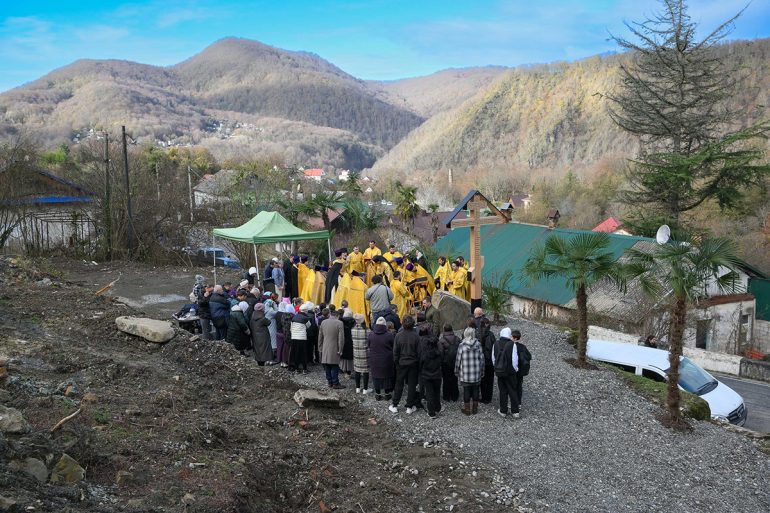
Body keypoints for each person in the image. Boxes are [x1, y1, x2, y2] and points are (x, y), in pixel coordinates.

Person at [389, 315, 420, 414]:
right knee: (411, 385)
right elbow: (419, 352)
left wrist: (396, 362)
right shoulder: (416, 336)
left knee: (399, 384)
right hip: (413, 363)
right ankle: (409, 406)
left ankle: (394, 404)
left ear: (402, 323)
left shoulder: (398, 335)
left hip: (401, 363)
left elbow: (395, 352)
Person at [455, 326, 484, 415]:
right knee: (476, 390)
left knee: (466, 391)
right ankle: (475, 409)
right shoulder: (478, 344)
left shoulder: (461, 345)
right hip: (476, 372)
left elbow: (458, 360)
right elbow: (482, 359)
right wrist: (482, 371)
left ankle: (467, 410)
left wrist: (456, 371)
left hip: (465, 373)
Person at [418, 323, 443, 418]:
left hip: (426, 373)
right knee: (436, 391)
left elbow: (420, 360)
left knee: (429, 393)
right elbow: (441, 356)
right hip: (437, 372)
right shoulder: (437, 347)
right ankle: (437, 407)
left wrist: (420, 370)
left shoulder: (422, 347)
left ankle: (431, 412)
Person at [368, 317, 395, 401]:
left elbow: (369, 345)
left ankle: (378, 394)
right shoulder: (389, 335)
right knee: (387, 376)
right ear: (385, 325)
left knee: (376, 376)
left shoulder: (371, 334)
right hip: (386, 359)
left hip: (374, 359)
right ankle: (387, 394)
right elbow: (393, 346)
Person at [318, 309, 346, 389]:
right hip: (335, 347)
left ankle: (329, 382)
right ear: (337, 316)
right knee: (334, 365)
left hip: (325, 347)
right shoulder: (339, 323)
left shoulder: (323, 322)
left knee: (327, 365)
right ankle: (335, 383)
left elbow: (320, 336)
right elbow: (341, 338)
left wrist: (320, 347)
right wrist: (340, 349)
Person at [437, 324, 460, 402]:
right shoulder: (457, 339)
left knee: (446, 380)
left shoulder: (442, 340)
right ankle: (455, 396)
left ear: (444, 330)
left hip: (446, 363)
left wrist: (441, 362)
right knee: (454, 379)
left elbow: (440, 353)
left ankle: (447, 396)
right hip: (455, 361)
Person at [478, 317, 496, 404]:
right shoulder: (491, 335)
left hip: (481, 360)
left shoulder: (479, 334)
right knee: (490, 380)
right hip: (490, 361)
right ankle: (488, 398)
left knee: (482, 379)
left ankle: (483, 396)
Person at [291, 302, 313, 373]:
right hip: (302, 338)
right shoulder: (306, 318)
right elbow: (308, 326)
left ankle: (296, 369)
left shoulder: (294, 317)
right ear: (305, 310)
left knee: (296, 353)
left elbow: (291, 328)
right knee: (303, 354)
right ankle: (304, 369)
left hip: (294, 337)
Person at [351, 313, 370, 394]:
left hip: (356, 352)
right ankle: (365, 389)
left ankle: (357, 388)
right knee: (366, 371)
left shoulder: (352, 330)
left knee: (357, 370)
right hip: (365, 353)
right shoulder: (367, 330)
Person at [339, 310, 355, 378]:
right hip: (351, 342)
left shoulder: (341, 322)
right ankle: (349, 372)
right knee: (350, 358)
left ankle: (343, 370)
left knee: (343, 357)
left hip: (343, 341)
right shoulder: (353, 322)